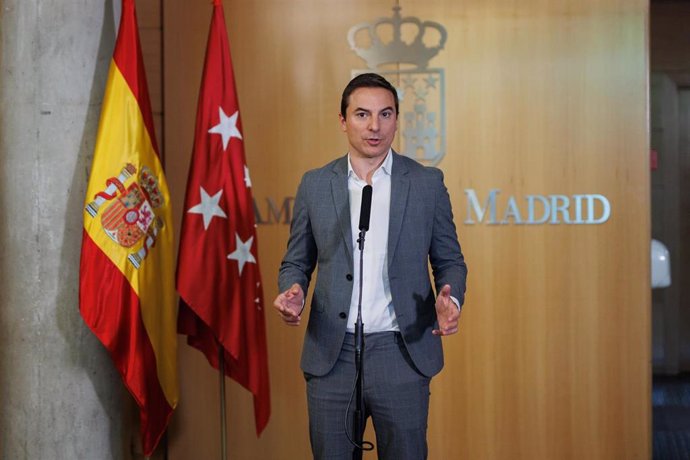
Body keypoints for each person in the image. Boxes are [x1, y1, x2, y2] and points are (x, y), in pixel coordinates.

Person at [273, 72, 467, 460]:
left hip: (401, 350)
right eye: (362, 115)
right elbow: (297, 260)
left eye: (385, 114)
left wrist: (452, 300)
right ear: (343, 120)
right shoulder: (315, 184)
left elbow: (450, 261)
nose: (374, 126)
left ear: (397, 119)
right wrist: (293, 290)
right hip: (332, 354)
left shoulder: (427, 183)